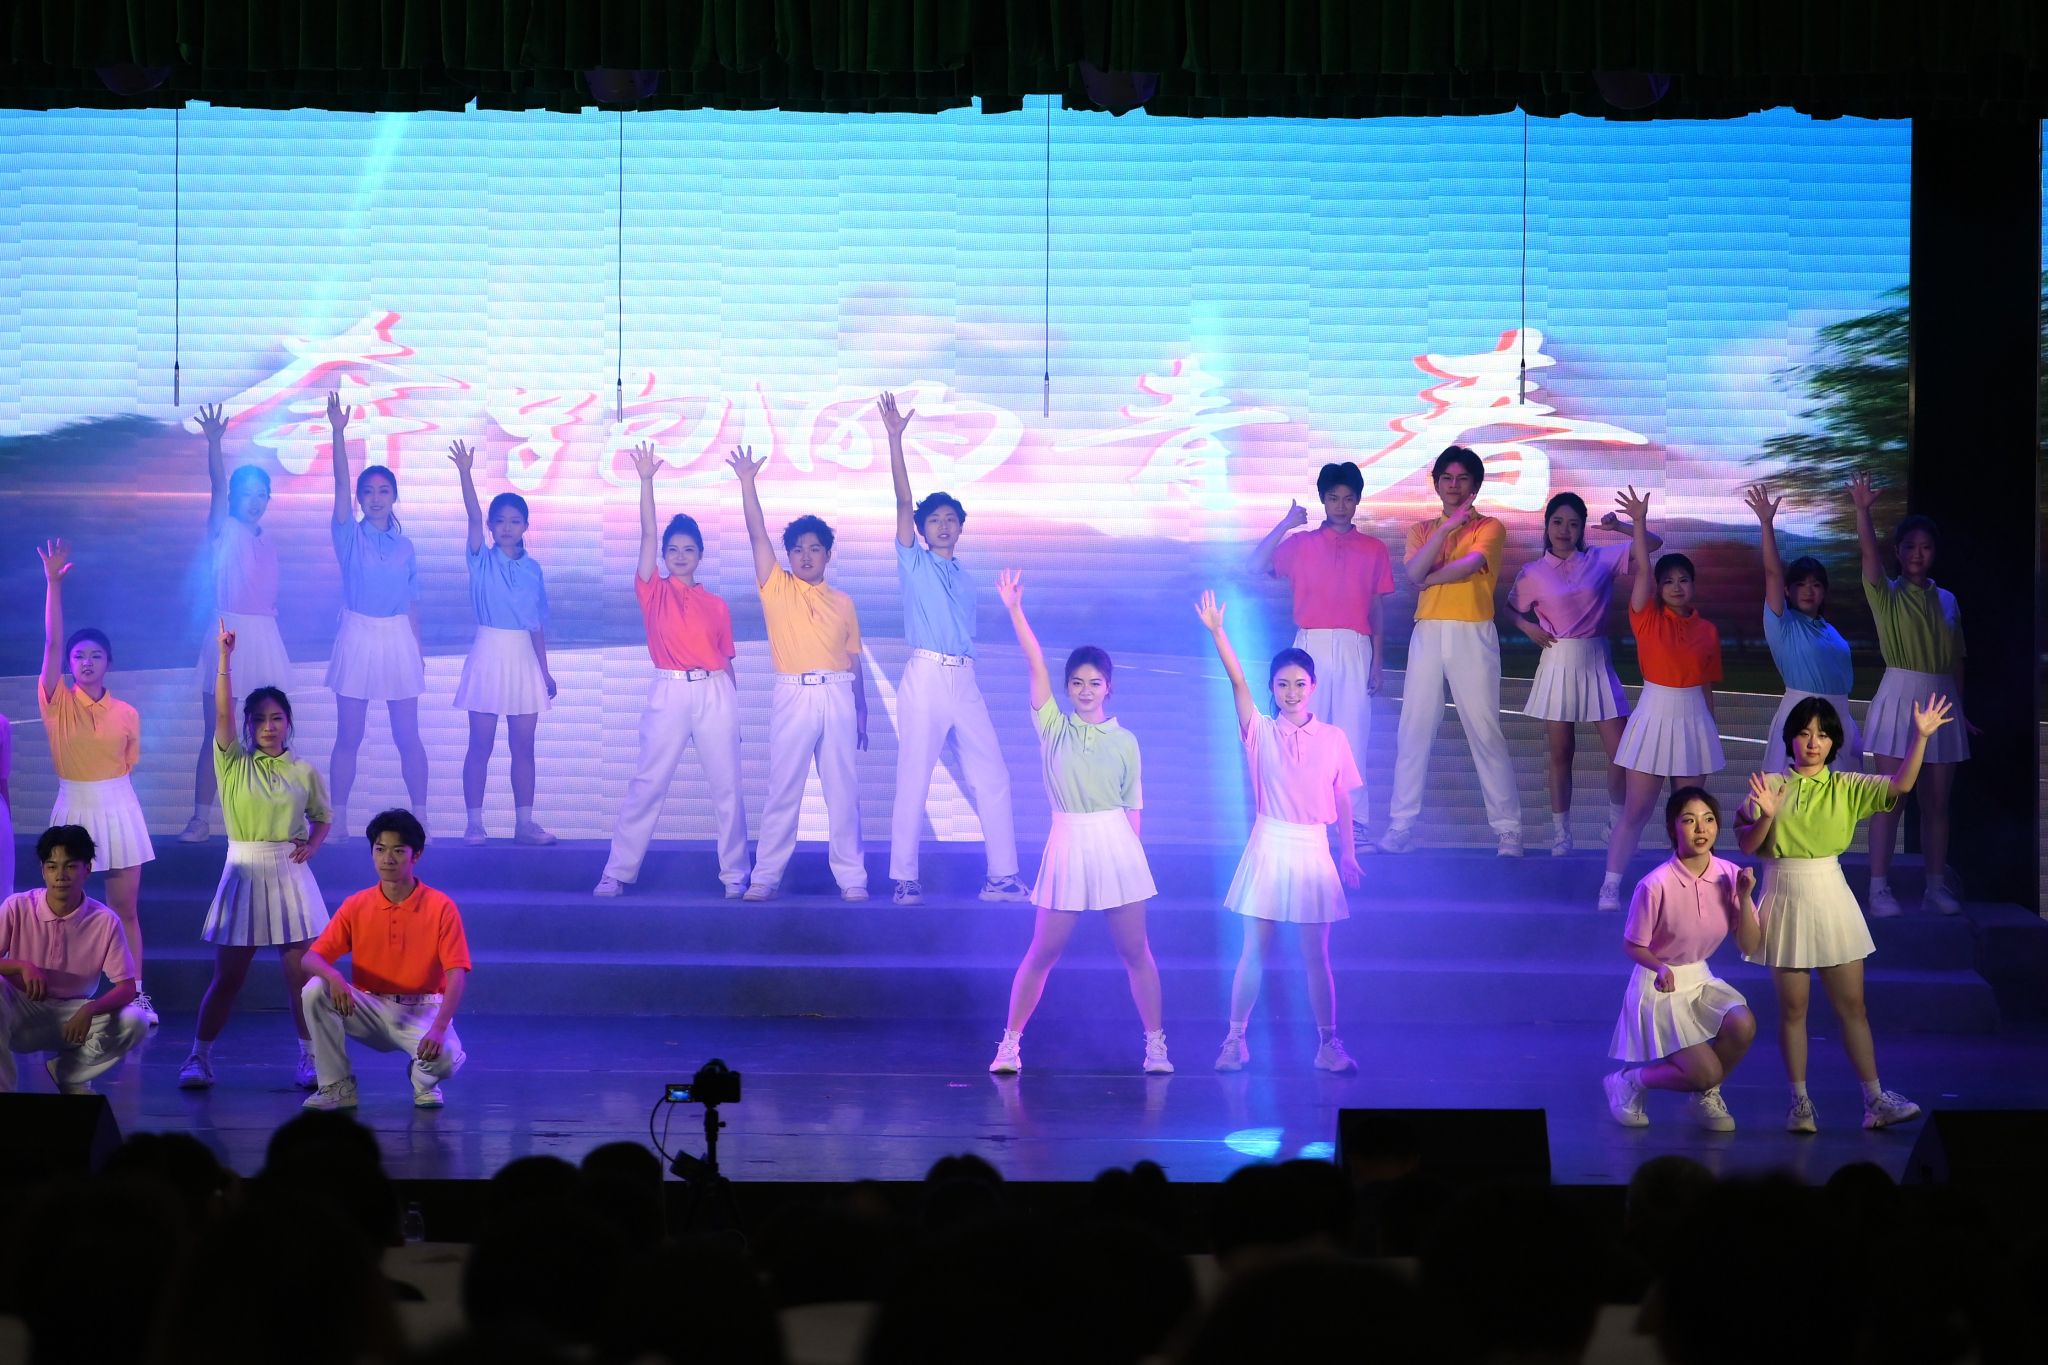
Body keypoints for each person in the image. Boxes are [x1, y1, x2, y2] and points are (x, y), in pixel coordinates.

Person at [1738, 694, 1946, 1133]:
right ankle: (1799, 1104)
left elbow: (1901, 785)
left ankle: (1875, 1100)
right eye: (1804, 733)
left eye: (1822, 734)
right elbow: (1747, 845)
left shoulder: (1847, 785)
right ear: (1791, 738)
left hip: (1831, 895)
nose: (1813, 742)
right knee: (1793, 1009)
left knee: (1853, 1006)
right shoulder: (1770, 784)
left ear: (1833, 742)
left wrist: (1921, 737)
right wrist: (1767, 816)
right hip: (1784, 893)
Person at [988, 568, 1167, 1075]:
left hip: (1116, 844)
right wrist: (1015, 610)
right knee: (1042, 951)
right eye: (1077, 683)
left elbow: (1133, 807)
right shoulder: (1052, 727)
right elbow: (1034, 663)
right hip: (1068, 840)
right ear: (1067, 688)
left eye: (1095, 683)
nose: (1085, 690)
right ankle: (1009, 1044)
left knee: (1136, 951)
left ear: (1109, 687)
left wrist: (1132, 862)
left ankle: (1156, 1045)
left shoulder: (1126, 741)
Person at [1198, 592, 1365, 1074]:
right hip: (1270, 844)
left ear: (1313, 687)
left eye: (1299, 684)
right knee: (1254, 949)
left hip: (1313, 848)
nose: (1291, 692)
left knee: (1317, 956)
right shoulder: (1261, 731)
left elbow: (1342, 797)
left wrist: (1348, 853)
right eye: (1282, 684)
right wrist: (1218, 632)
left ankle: (1328, 1045)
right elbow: (1237, 681)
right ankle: (1235, 1040)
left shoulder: (1333, 738)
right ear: (1272, 688)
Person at [878, 392, 1027, 906]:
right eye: (934, 519)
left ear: (960, 527)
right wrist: (895, 440)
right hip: (925, 677)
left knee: (994, 775)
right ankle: (904, 878)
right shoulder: (913, 562)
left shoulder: (965, 578)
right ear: (921, 529)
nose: (943, 525)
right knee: (914, 778)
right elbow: (903, 502)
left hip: (964, 680)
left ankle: (1002, 878)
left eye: (951, 519)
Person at [179, 620, 333, 1091]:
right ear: (248, 725)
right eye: (259, 719)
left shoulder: (304, 771)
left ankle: (309, 1058)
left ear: (288, 722)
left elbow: (322, 818)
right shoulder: (231, 762)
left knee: (300, 980)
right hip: (243, 872)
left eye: (277, 718)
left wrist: (313, 844)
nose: (268, 726)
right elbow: (222, 712)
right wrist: (225, 658)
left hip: (290, 876)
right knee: (227, 979)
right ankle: (198, 1056)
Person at [594, 442, 748, 898]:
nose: (681, 555)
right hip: (669, 691)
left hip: (715, 693)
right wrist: (646, 481)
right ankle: (617, 872)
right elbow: (646, 534)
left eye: (689, 549)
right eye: (673, 549)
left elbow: (726, 660)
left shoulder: (716, 605)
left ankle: (736, 875)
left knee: (728, 788)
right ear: (662, 554)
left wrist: (734, 714)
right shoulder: (652, 591)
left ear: (700, 554)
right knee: (648, 783)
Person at [728, 445, 870, 902]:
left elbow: (853, 659)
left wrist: (861, 710)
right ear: (788, 555)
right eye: (797, 549)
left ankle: (852, 878)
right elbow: (757, 537)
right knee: (783, 789)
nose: (806, 556)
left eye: (814, 549)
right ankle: (765, 877)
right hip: (793, 694)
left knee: (843, 791)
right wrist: (747, 483)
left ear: (828, 554)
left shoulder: (843, 602)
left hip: (839, 694)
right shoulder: (776, 587)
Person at [36, 539, 157, 1027]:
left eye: (96, 656)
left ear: (109, 663)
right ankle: (64, 997)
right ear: (69, 663)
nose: (87, 662)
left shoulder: (126, 712)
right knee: (66, 907)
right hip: (73, 806)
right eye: (79, 656)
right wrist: (53, 584)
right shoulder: (55, 701)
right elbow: (50, 643)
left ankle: (136, 994)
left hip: (118, 806)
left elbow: (127, 764)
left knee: (125, 909)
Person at [1380, 447, 1523, 855]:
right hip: (1428, 631)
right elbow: (1412, 571)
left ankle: (1508, 829)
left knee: (1484, 730)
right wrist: (1443, 532)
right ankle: (1401, 826)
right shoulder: (1421, 529)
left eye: (1462, 479)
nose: (1454, 486)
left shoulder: (1490, 526)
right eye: (1447, 478)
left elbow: (1469, 565)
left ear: (1475, 486)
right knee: (1414, 728)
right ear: (1437, 483)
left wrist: (1429, 578)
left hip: (1472, 631)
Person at [1248, 461, 1395, 847]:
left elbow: (1377, 607)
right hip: (1309, 646)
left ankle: (1355, 823)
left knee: (1351, 736)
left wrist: (1377, 661)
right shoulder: (1300, 544)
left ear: (1358, 501)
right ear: (1323, 500)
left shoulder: (1374, 549)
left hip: (1354, 646)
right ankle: (1300, 816)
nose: (1341, 506)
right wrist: (1286, 523)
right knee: (1301, 733)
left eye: (1348, 499)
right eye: (1333, 498)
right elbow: (1254, 565)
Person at [1505, 491, 1659, 855]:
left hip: (1597, 662)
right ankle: (1561, 834)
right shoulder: (1532, 572)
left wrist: (1623, 525)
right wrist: (1527, 627)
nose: (1564, 530)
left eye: (1573, 524)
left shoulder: (1600, 559)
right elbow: (1509, 609)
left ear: (1582, 529)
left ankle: (1615, 827)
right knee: (1561, 753)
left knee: (1623, 753)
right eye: (1557, 522)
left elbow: (1652, 544)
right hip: (1557, 662)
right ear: (1547, 526)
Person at [1602, 788, 1761, 1131]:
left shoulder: (1730, 874)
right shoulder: (1655, 884)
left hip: (1699, 978)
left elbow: (1749, 944)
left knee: (1743, 1024)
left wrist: (1745, 898)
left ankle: (1704, 1094)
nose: (1701, 829)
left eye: (1708, 820)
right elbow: (1633, 945)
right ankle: (1629, 1081)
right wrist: (1659, 966)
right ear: (1673, 828)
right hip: (1660, 983)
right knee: (1706, 1072)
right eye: (1689, 821)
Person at [1597, 489, 1723, 912]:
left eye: (1683, 580)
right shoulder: (1645, 616)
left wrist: (1709, 729)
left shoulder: (1707, 631)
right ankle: (1610, 885)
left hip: (1693, 721)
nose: (1675, 587)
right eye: (1668, 581)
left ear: (1693, 585)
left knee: (1691, 815)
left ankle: (1690, 892)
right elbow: (1643, 575)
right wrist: (1637, 523)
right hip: (1653, 715)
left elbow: (1707, 685)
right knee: (1636, 810)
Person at [1852, 475, 1971, 917]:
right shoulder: (1885, 594)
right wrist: (1862, 511)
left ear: (1933, 552)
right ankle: (1878, 888)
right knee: (1891, 797)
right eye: (1910, 547)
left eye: (1925, 547)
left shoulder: (1949, 601)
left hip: (1942, 704)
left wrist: (1960, 710)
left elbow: (1957, 660)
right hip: (1900, 697)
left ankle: (1935, 887)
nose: (1918, 553)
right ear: (1898, 552)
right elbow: (1868, 556)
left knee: (1937, 803)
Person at [300, 808, 471, 1111]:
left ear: (416, 855)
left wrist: (439, 1027)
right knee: (315, 989)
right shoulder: (356, 904)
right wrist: (334, 976)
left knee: (445, 1059)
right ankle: (337, 1085)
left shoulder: (441, 906)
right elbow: (311, 958)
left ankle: (422, 1079)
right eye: (380, 849)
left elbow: (457, 973)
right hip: (369, 1007)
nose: (387, 859)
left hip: (422, 1010)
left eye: (398, 851)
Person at [181, 402, 293, 843]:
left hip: (264, 638)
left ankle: (267, 821)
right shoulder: (223, 528)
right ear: (234, 496)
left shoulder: (268, 541)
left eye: (263, 494)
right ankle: (200, 818)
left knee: (267, 733)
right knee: (218, 732)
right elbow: (216, 486)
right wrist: (215, 444)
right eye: (247, 493)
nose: (256, 501)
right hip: (227, 636)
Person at [324, 391, 429, 841]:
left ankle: (421, 818)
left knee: (408, 736)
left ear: (395, 496)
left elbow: (411, 604)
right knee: (350, 735)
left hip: (398, 638)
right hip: (358, 635)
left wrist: (418, 652)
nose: (375, 498)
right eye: (368, 491)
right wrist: (338, 433)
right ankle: (338, 820)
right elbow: (340, 487)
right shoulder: (349, 535)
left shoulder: (406, 547)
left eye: (384, 491)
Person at [449, 439, 558, 846]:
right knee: (480, 744)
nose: (507, 527)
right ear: (492, 527)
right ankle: (474, 823)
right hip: (489, 654)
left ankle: (524, 824)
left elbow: (536, 625)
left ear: (526, 526)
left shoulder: (533, 569)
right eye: (500, 521)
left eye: (515, 521)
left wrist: (545, 672)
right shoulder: (480, 559)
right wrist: (465, 472)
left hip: (524, 659)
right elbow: (472, 515)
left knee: (523, 746)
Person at [0, 825, 148, 1093]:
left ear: (87, 869)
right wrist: (21, 966)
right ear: (43, 871)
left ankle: (69, 1073)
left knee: (136, 1020)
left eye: (70, 866)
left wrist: (90, 1009)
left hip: (73, 1015)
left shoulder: (105, 921)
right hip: (18, 1010)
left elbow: (127, 987)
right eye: (52, 867)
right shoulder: (16, 907)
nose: (60, 876)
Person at [1744, 483, 1861, 777]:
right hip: (1802, 717)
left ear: (1824, 591)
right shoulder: (1783, 624)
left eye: (1816, 584)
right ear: (1788, 590)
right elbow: (1772, 573)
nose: (1809, 591)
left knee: (1838, 798)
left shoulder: (1829, 630)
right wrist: (1766, 523)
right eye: (1800, 584)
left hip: (1839, 719)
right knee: (1794, 797)